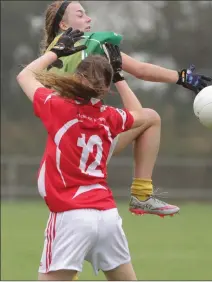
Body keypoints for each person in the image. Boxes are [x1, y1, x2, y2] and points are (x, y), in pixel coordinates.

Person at [38, 0, 189, 218]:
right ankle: (141, 195)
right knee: (151, 118)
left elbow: (29, 79)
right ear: (63, 25)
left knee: (72, 221)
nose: (88, 19)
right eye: (80, 15)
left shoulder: (47, 58)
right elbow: (141, 70)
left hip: (66, 150)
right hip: (91, 141)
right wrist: (182, 77)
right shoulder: (92, 44)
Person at [16, 27, 145, 281]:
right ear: (105, 88)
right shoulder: (110, 117)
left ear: (76, 78)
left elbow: (24, 76)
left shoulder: (57, 107)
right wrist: (119, 77)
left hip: (71, 216)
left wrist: (55, 52)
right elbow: (139, 114)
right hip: (107, 216)